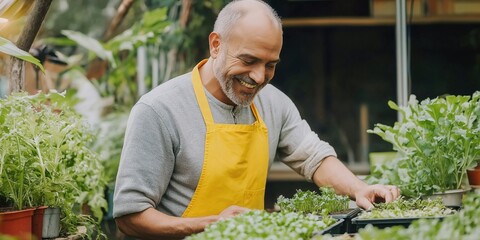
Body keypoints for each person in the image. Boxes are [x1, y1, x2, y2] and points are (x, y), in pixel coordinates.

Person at [113, 0, 400, 239]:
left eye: (270, 65)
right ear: (216, 45)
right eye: (248, 61)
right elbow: (130, 216)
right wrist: (210, 224)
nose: (259, 77)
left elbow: (313, 156)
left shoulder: (272, 102)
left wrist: (360, 188)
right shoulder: (159, 110)